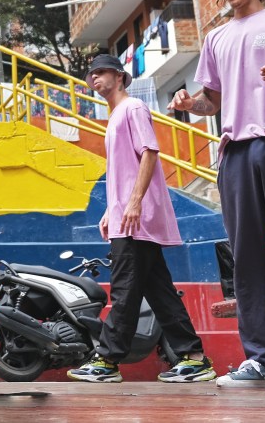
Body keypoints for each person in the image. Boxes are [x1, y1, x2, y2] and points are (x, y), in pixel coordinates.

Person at [67, 54, 215, 384]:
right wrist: (112, 210)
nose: (94, 78)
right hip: (128, 218)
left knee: (124, 290)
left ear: (120, 77)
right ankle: (194, 358)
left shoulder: (132, 108)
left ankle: (106, 360)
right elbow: (123, 172)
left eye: (101, 72)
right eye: (91, 74)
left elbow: (149, 152)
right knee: (159, 291)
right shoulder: (115, 116)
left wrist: (133, 204)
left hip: (137, 220)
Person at [169, 0, 265, 386]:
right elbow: (210, 100)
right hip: (235, 152)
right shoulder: (216, 38)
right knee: (245, 259)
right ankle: (263, 360)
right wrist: (188, 103)